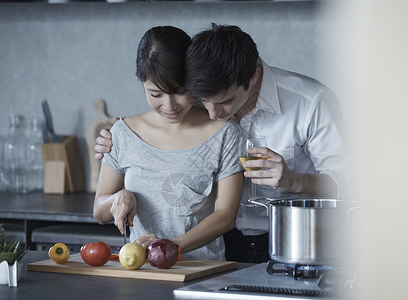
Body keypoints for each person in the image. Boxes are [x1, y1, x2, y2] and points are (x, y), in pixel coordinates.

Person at [95, 24, 352, 263]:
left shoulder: (311, 102)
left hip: (300, 241)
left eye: (225, 102)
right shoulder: (193, 100)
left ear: (253, 77)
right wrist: (117, 138)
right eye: (203, 101)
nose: (212, 115)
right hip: (225, 247)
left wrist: (294, 181)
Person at [93, 26, 243, 261]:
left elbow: (226, 215)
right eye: (155, 94)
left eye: (180, 91)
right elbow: (100, 212)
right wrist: (120, 197)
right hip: (142, 272)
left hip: (204, 273)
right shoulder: (123, 133)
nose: (170, 106)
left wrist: (171, 246)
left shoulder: (225, 133)